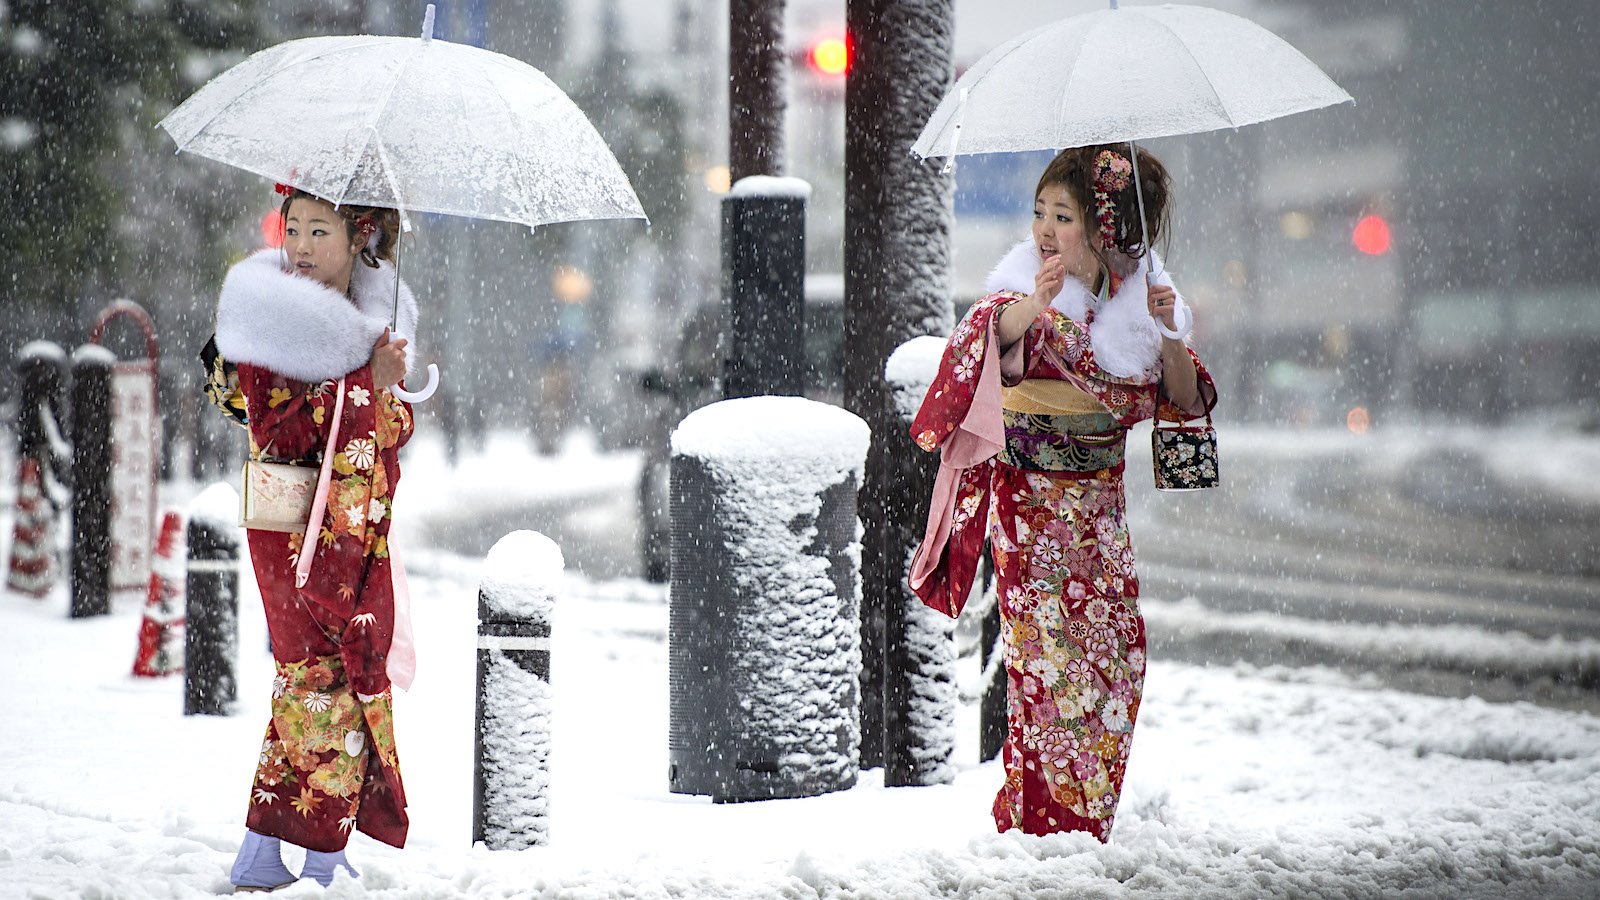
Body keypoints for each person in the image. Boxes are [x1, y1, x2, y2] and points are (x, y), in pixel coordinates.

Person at [908, 145, 1217, 841]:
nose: (1045, 229)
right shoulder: (1021, 290)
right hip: (1033, 511)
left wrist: (1170, 332)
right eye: (1040, 212)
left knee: (1118, 659)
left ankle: (1080, 821)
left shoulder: (1138, 301)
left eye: (1064, 215)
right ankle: (1045, 826)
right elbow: (987, 333)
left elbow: (1182, 396)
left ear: (1103, 227)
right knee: (1049, 668)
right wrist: (1036, 305)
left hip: (1101, 513)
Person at [208, 186, 421, 890]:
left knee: (331, 677)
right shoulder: (268, 314)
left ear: (360, 238)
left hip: (353, 528)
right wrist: (364, 383)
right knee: (321, 679)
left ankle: (269, 850)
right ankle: (318, 854)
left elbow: (391, 432)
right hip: (291, 526)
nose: (298, 246)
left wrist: (383, 387)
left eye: (317, 231)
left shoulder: (371, 321)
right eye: (293, 228)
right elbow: (282, 431)